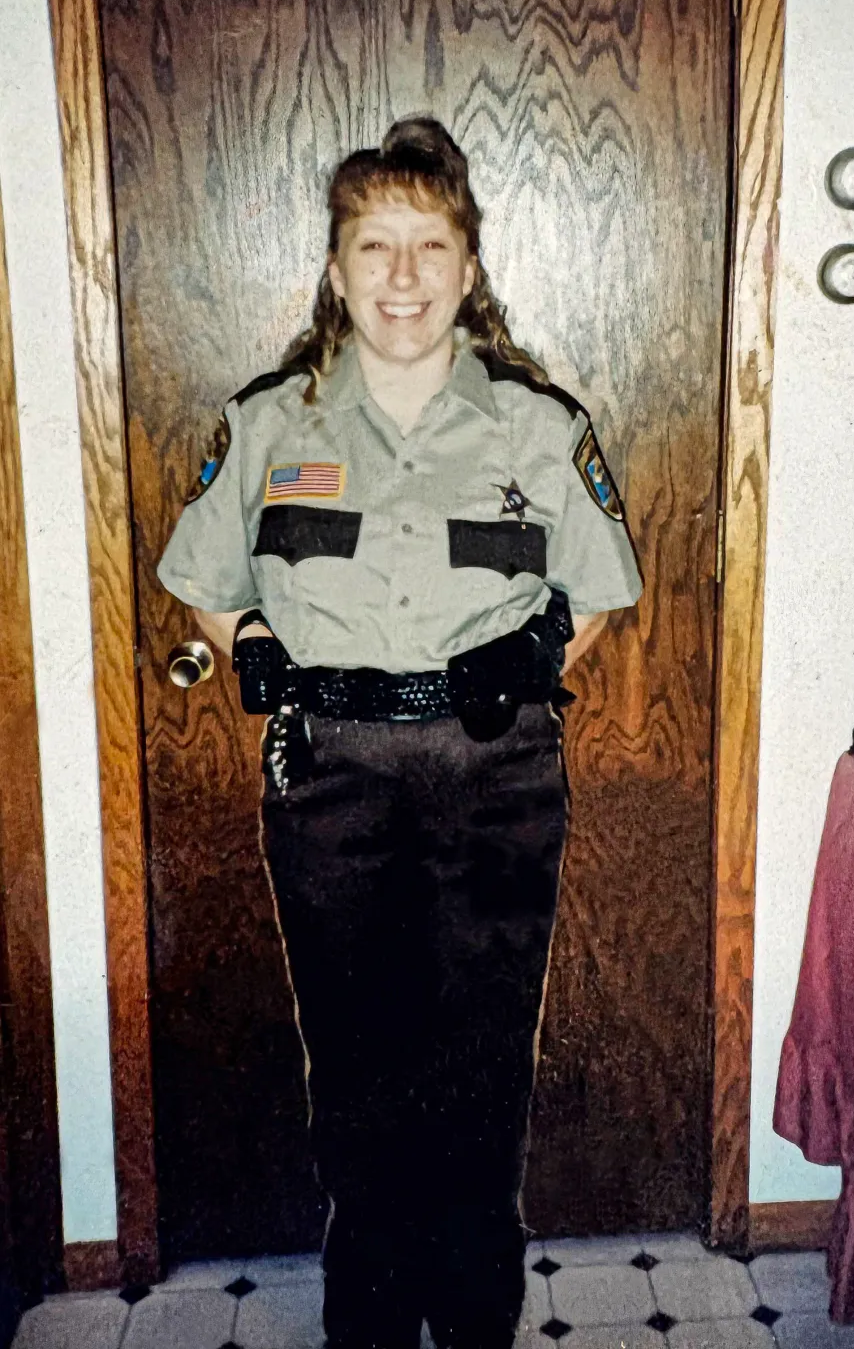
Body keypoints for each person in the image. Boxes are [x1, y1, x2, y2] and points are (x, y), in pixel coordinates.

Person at [158, 117, 642, 1349]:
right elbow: (205, 579)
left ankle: (476, 1316)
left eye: (432, 247)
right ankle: (368, 1319)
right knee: (358, 1068)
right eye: (376, 247)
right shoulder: (272, 423)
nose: (405, 277)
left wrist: (517, 669)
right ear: (335, 268)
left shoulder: (539, 427)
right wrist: (253, 652)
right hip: (335, 781)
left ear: (470, 269)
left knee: (483, 1064)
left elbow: (601, 595)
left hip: (495, 775)